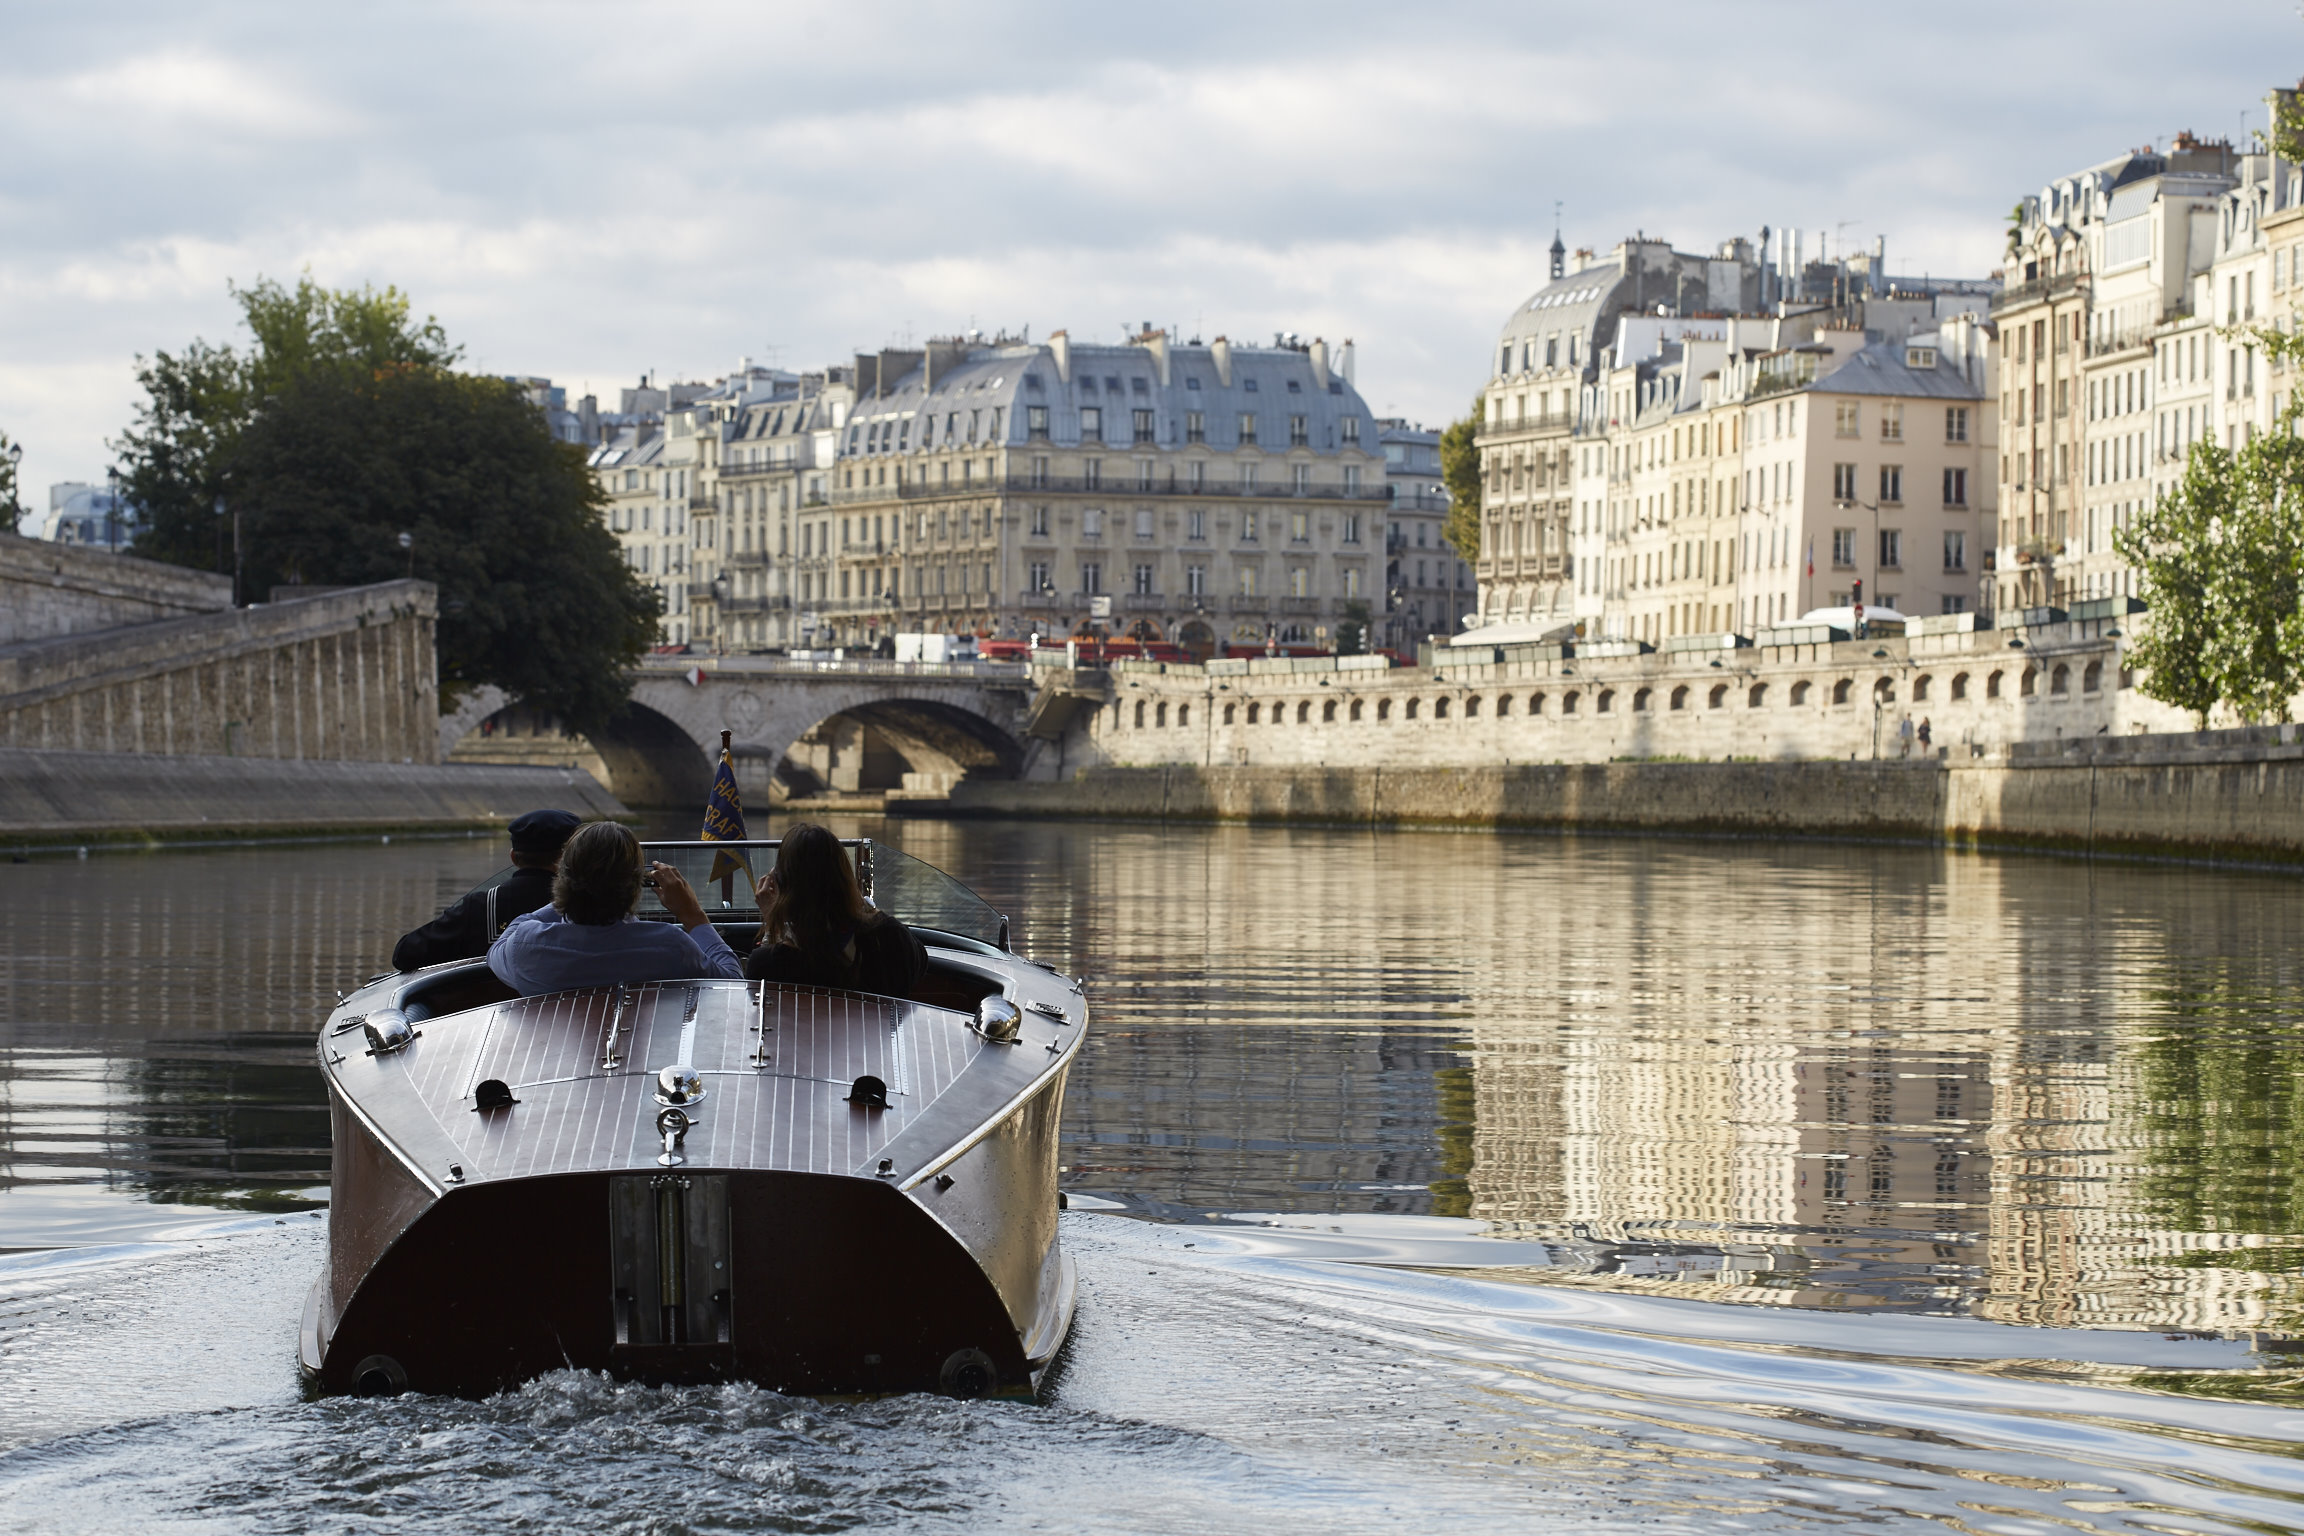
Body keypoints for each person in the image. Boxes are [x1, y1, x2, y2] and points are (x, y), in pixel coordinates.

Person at [488, 821, 744, 996]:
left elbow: (499, 947)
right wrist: (693, 915)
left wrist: (571, 892)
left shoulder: (527, 946)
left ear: (562, 879)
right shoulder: (671, 946)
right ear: (636, 885)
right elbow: (732, 984)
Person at [744, 822, 925, 999]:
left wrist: (772, 922)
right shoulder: (891, 938)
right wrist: (862, 905)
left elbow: (762, 1000)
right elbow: (918, 961)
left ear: (783, 886)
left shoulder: (771, 962)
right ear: (845, 876)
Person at [392, 808, 580, 971]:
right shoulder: (591, 902)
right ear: (572, 858)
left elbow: (404, 954)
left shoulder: (480, 906)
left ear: (514, 858)